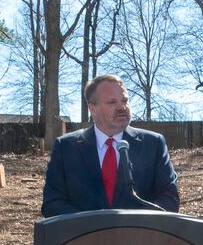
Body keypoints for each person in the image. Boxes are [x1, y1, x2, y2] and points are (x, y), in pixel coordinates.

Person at [42, 75, 179, 217]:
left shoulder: (153, 144)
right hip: (84, 237)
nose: (122, 107)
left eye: (125, 100)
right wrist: (94, 228)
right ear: (92, 108)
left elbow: (169, 200)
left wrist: (131, 226)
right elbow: (52, 204)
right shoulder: (66, 147)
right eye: (112, 102)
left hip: (139, 237)